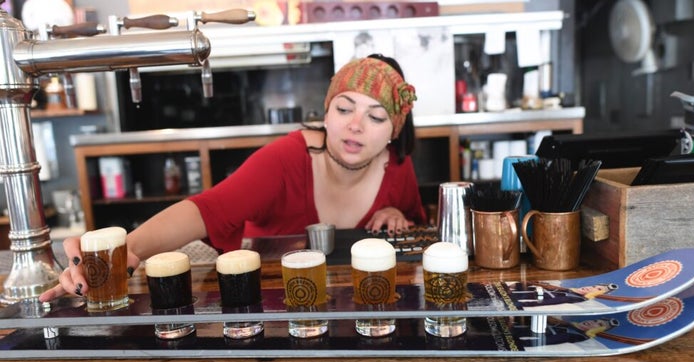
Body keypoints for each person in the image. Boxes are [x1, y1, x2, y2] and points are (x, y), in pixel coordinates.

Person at [39, 54, 427, 303]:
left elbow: (417, 227)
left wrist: (395, 210)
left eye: (376, 117)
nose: (356, 126)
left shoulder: (397, 166)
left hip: (357, 309)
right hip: (261, 305)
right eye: (345, 108)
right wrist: (124, 253)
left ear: (393, 131)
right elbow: (205, 210)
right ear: (326, 113)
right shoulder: (285, 159)